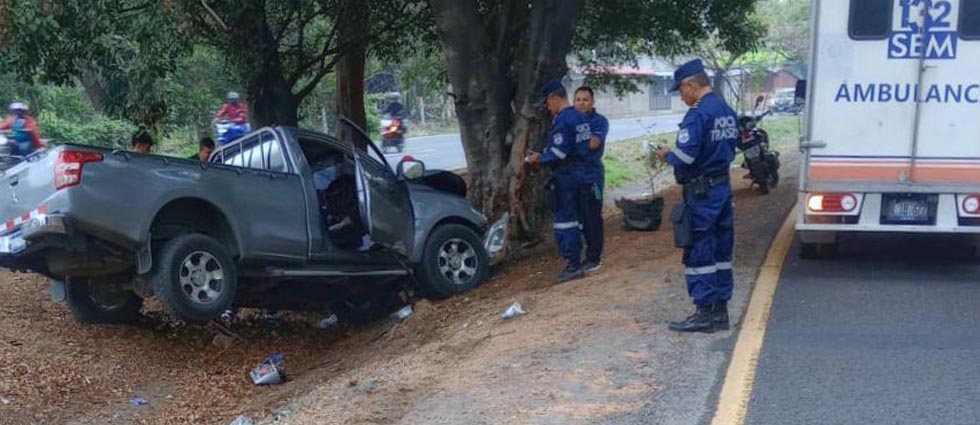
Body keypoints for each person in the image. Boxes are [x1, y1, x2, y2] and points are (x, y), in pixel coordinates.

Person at [655, 59, 738, 334]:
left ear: (690, 85)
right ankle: (720, 312)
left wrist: (667, 154)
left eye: (681, 90)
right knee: (721, 251)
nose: (681, 96)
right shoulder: (725, 110)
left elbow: (686, 157)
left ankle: (703, 313)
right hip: (723, 189)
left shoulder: (697, 115)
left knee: (700, 250)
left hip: (702, 194)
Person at [526, 79, 592, 283]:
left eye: (547, 103)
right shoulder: (579, 116)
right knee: (578, 219)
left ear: (554, 98)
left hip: (567, 177)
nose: (547, 107)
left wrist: (537, 158)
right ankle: (579, 259)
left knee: (565, 221)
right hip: (582, 173)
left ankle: (573, 265)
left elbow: (559, 152)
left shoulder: (563, 120)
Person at [573, 86, 609, 272]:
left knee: (592, 216)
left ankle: (594, 258)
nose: (581, 103)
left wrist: (571, 145)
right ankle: (577, 255)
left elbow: (593, 144)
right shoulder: (568, 119)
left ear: (592, 102)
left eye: (585, 99)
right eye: (578, 99)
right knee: (576, 218)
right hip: (573, 178)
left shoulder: (599, 121)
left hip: (592, 178)